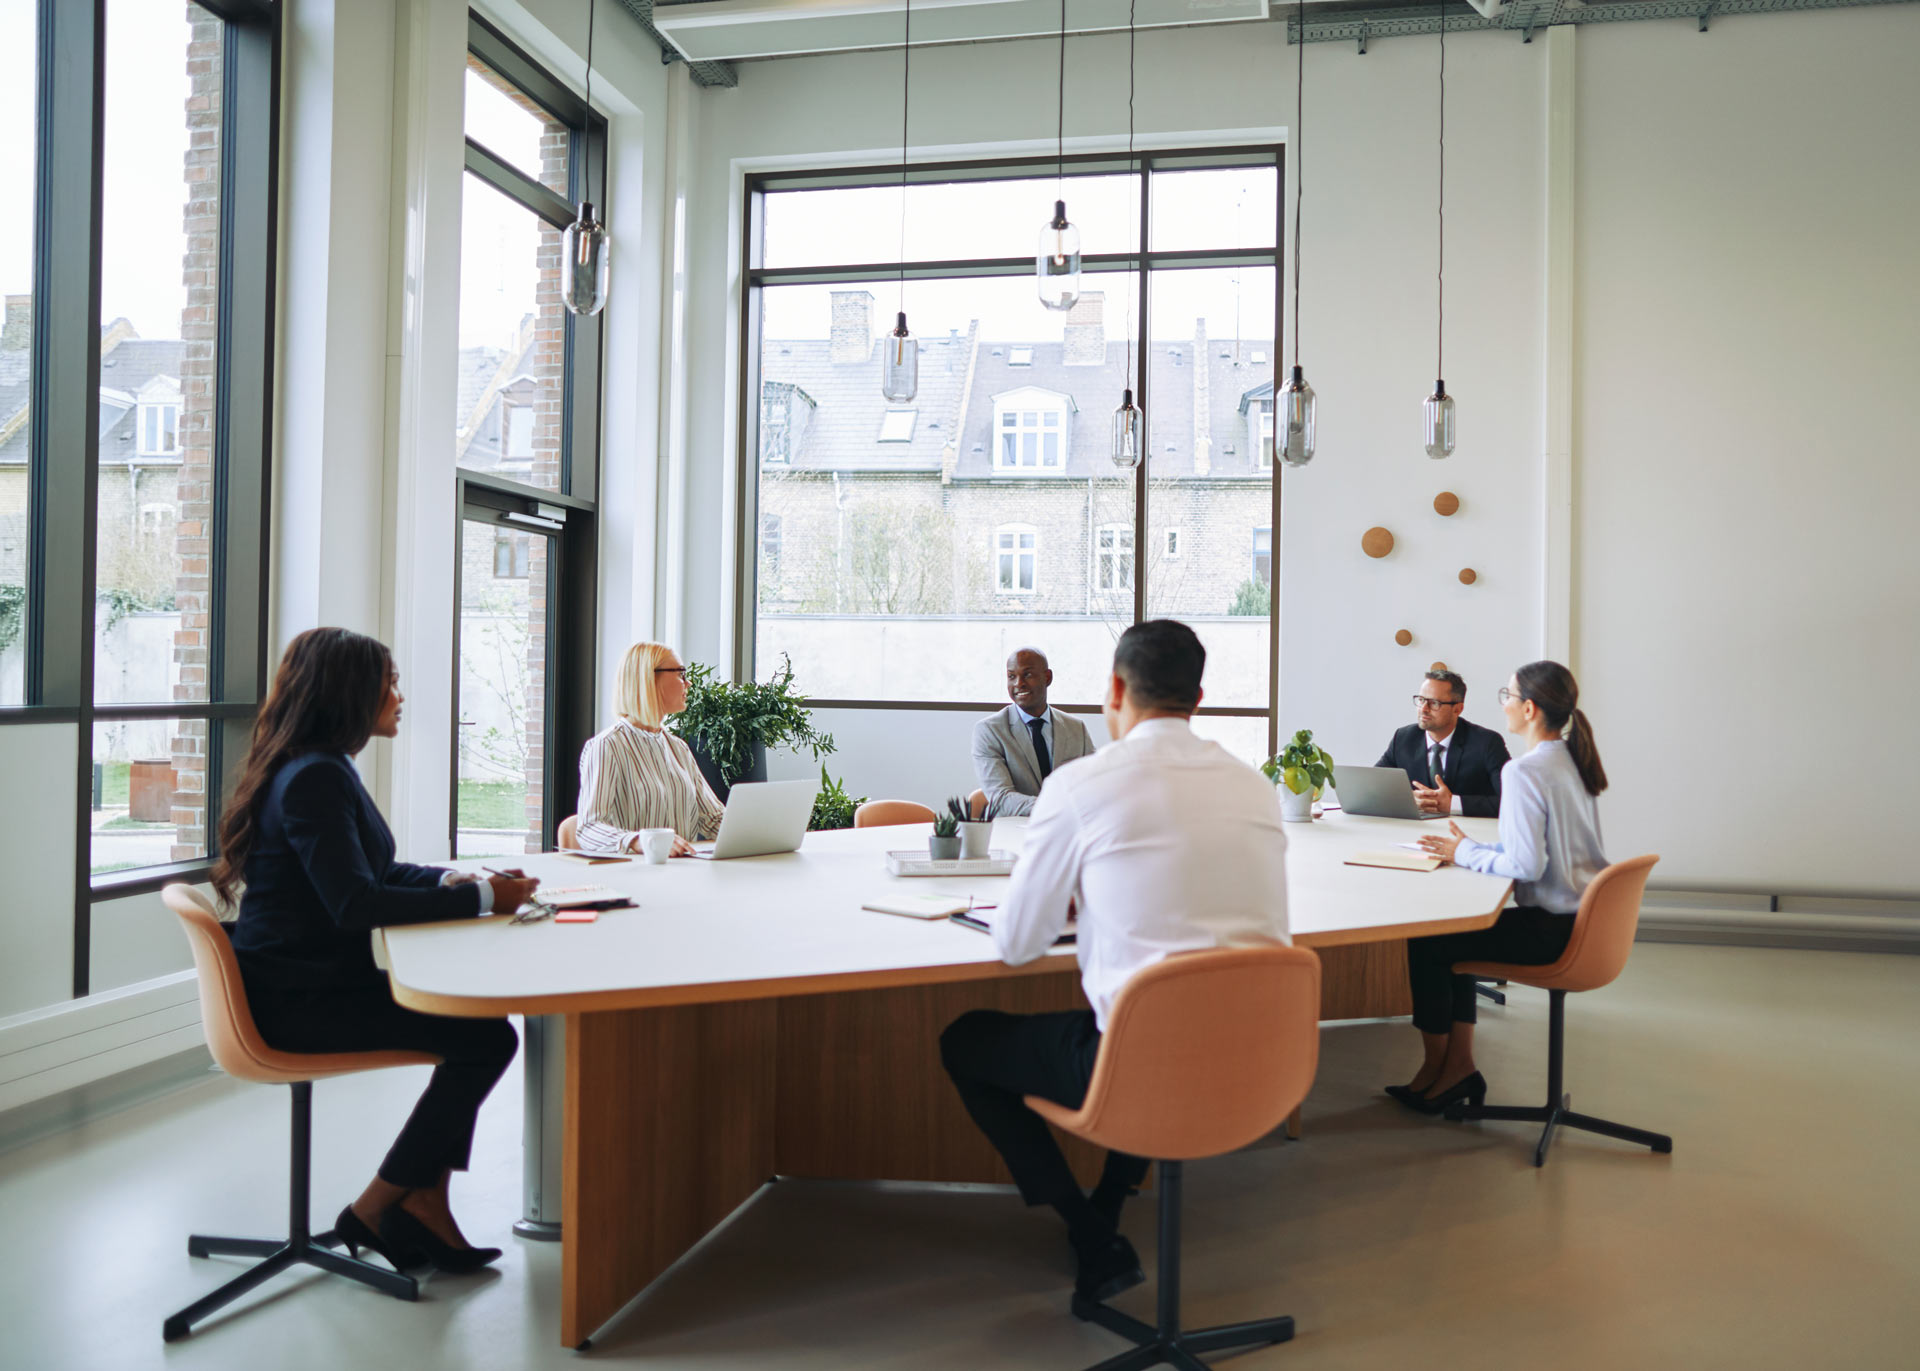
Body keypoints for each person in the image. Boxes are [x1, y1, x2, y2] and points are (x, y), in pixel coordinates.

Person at [941, 620, 1291, 1300]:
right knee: (1161, 1011)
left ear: (1113, 690)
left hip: (1144, 1064)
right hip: (1261, 1063)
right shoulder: (1254, 785)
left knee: (968, 1040)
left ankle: (1091, 1233)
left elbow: (1015, 944)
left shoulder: (1080, 786)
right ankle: (1108, 1198)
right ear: (1199, 696)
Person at [215, 627, 538, 1274]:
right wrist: (480, 902)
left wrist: (460, 882)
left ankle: (424, 1202)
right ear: (349, 692)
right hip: (294, 1002)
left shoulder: (318, 766)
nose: (398, 694)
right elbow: (355, 905)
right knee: (487, 1038)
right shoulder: (314, 778)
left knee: (481, 1031)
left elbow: (373, 874)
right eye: (387, 681)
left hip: (307, 980)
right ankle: (377, 1207)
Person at [1388, 661, 1609, 1115]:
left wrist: (1461, 853)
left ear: (1528, 708)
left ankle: (1446, 1068)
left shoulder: (1524, 772)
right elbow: (1534, 846)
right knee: (1454, 934)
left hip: (1552, 931)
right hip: (1586, 921)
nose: (1503, 705)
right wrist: (1472, 845)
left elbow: (1526, 866)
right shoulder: (1571, 759)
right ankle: (1457, 1067)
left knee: (1429, 940)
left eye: (1506, 696)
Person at [575, 642, 725, 855]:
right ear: (648, 679)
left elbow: (713, 818)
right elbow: (589, 828)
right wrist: (638, 841)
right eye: (681, 673)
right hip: (635, 876)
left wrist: (759, 834)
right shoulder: (607, 746)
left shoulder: (678, 748)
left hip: (684, 873)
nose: (688, 683)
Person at [971, 647, 1097, 817]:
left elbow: (1093, 785)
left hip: (1070, 831)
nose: (1018, 683)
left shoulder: (1076, 728)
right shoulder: (990, 731)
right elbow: (1000, 798)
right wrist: (1057, 808)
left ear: (1047, 677)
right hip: (1015, 833)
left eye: (1027, 675)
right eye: (1011, 677)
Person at [1376, 669, 1511, 817]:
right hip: (1413, 832)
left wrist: (1453, 804)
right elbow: (1374, 787)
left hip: (1467, 833)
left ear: (1458, 709)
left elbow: (1512, 801)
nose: (1424, 709)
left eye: (1434, 703)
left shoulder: (1487, 743)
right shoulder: (1403, 738)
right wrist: (1407, 798)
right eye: (1421, 700)